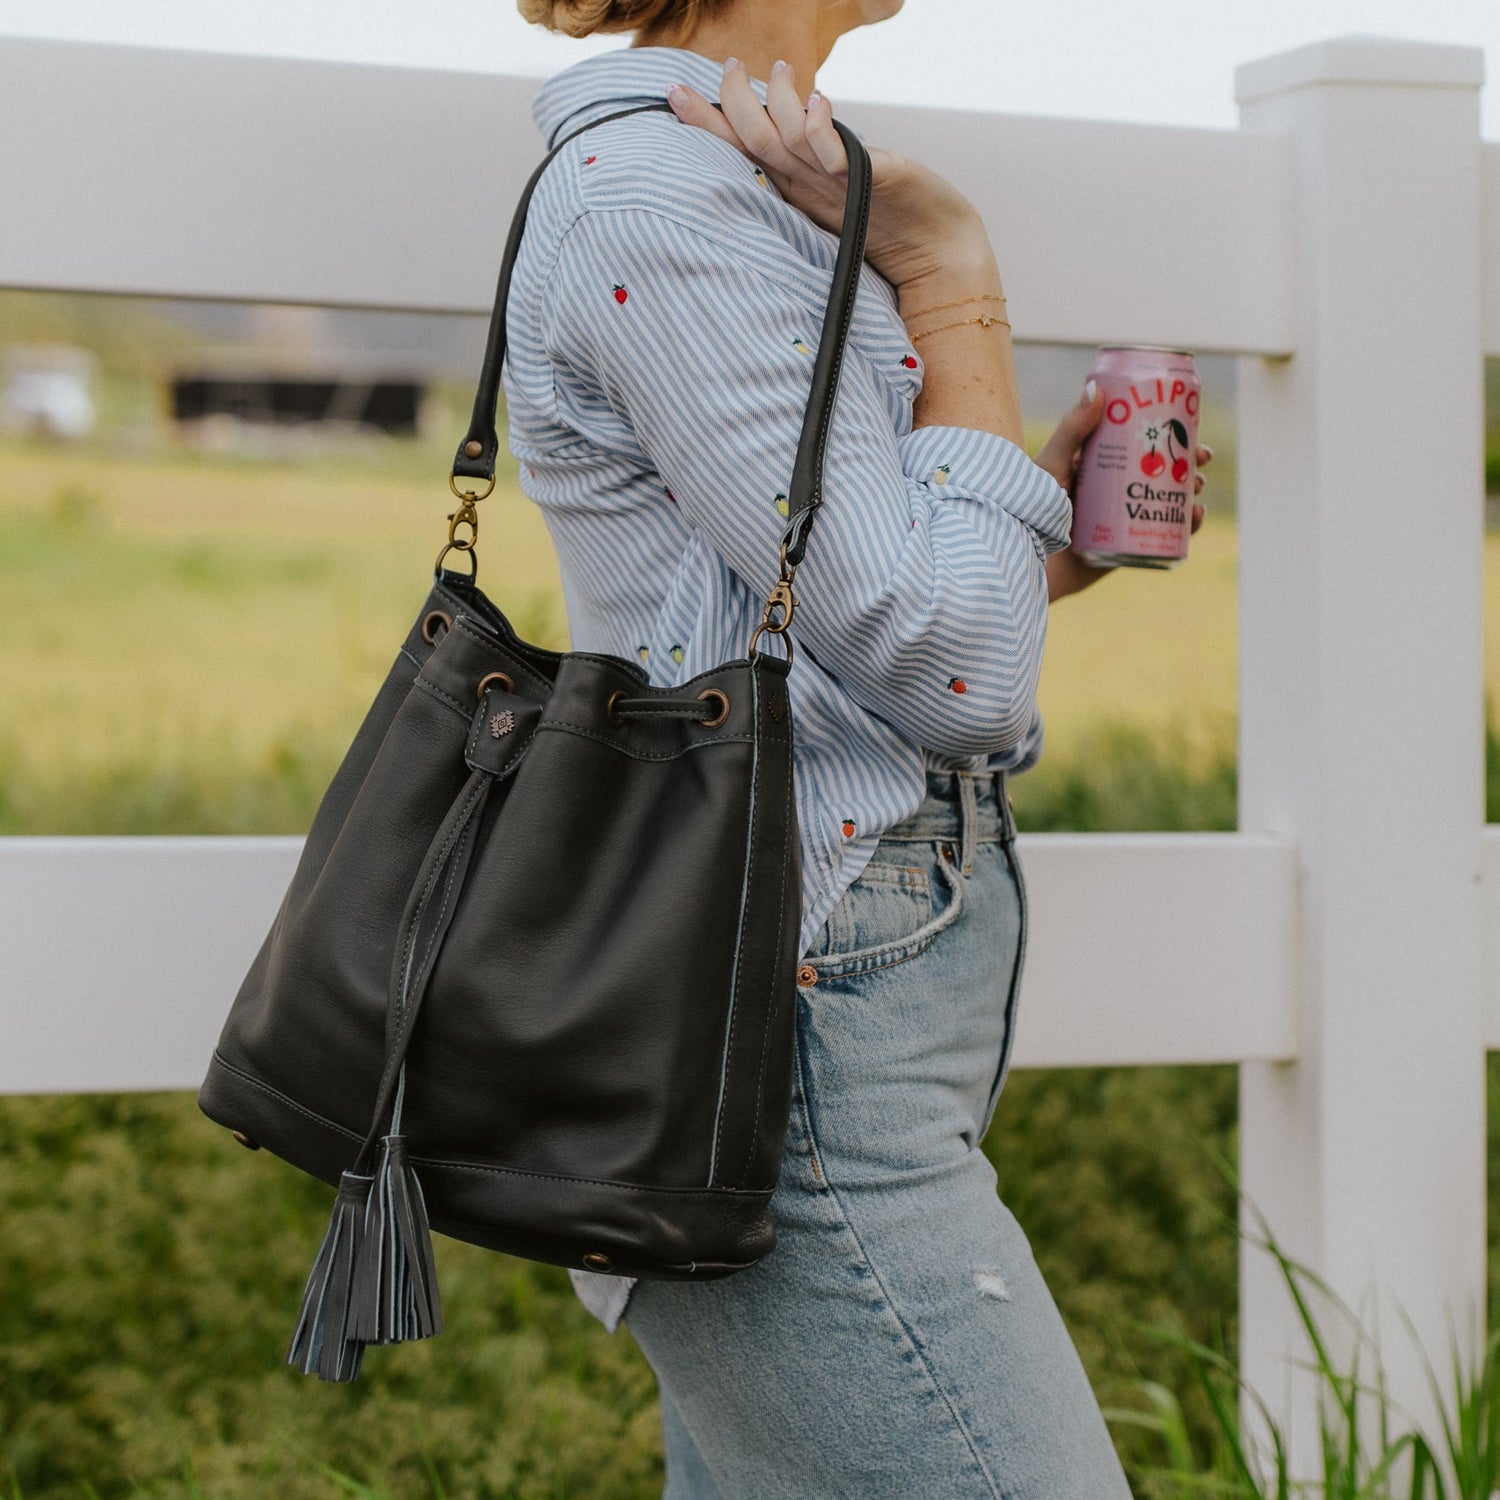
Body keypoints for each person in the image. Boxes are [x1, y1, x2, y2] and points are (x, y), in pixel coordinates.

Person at [507, 2, 1209, 1494]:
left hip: (825, 991)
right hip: (795, 1016)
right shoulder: (666, 197)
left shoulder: (761, 186)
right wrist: (955, 295)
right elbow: (954, 675)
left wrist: (1031, 543)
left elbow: (838, 618)